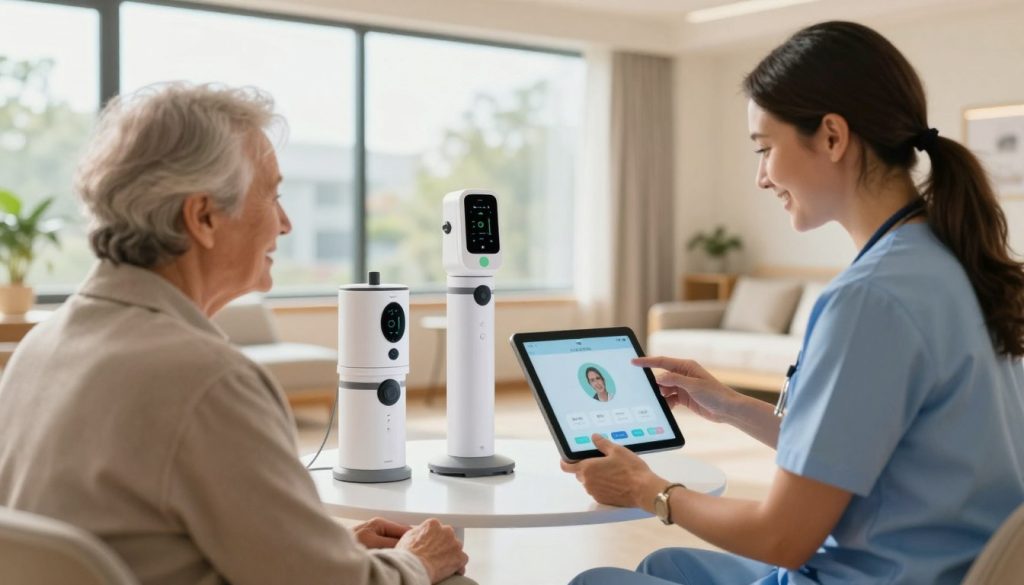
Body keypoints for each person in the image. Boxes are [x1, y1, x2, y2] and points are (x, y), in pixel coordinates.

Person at [563, 21, 1024, 585]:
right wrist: (732, 405)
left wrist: (646, 488)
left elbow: (783, 538)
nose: (761, 177)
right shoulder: (957, 263)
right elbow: (865, 450)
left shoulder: (870, 299)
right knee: (664, 565)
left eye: (765, 149)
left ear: (832, 137)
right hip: (941, 568)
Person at [0, 83, 471, 585]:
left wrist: (323, 547)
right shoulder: (207, 382)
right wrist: (416, 561)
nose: (286, 224)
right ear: (203, 216)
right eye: (273, 195)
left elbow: (140, 538)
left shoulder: (39, 348)